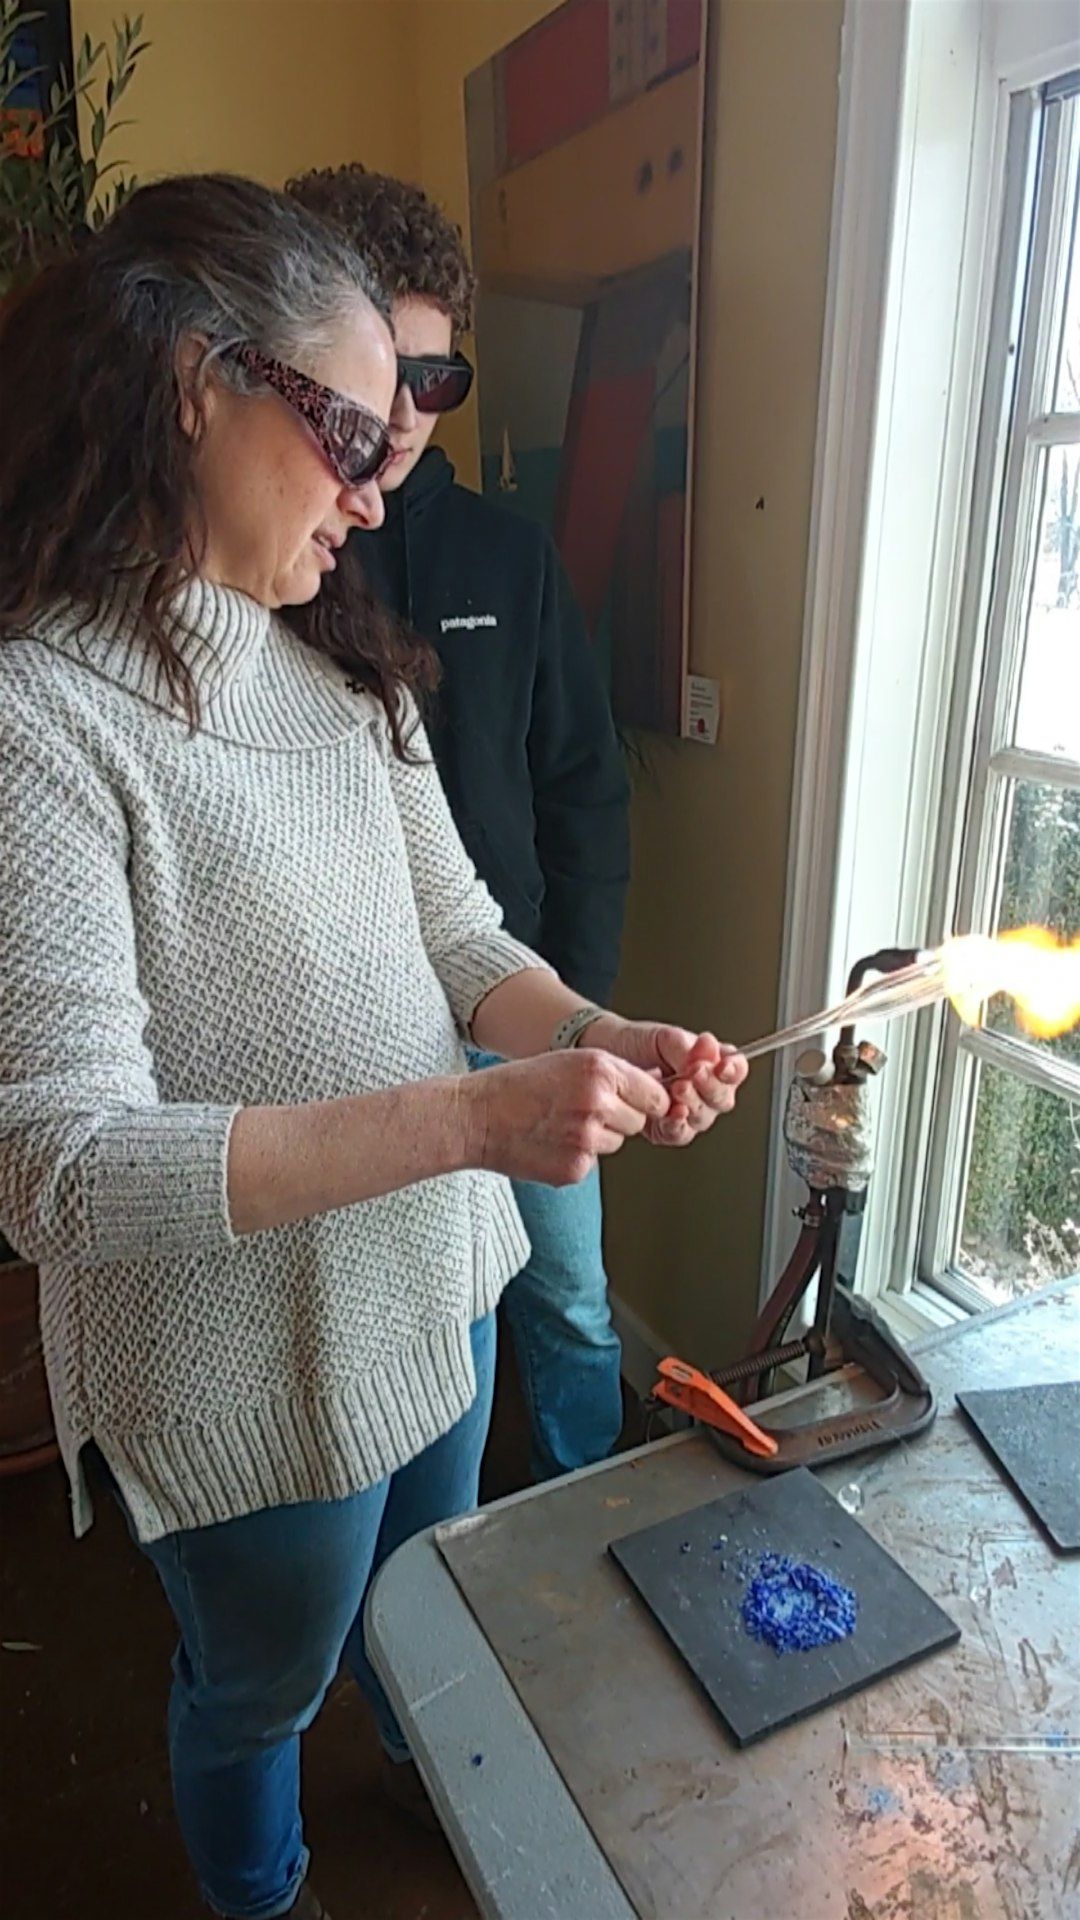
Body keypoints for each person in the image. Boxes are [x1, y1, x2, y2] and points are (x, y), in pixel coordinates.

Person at [0, 176, 746, 1920]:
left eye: (400, 421)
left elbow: (464, 939)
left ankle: (428, 1761)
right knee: (261, 1685)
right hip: (247, 1366)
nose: (379, 473)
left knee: (430, 1599)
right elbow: (60, 1169)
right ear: (196, 381)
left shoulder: (346, 666)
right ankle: (260, 1888)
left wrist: (594, 1029)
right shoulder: (39, 716)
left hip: (441, 1288)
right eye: (349, 420)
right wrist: (479, 1115)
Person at [288, 164, 635, 1479]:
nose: (411, 414)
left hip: (521, 1013)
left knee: (568, 1302)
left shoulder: (510, 559)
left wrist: (580, 1004)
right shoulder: (270, 564)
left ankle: (582, 1523)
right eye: (390, 374)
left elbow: (584, 786)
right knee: (400, 1330)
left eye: (443, 380)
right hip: (347, 1044)